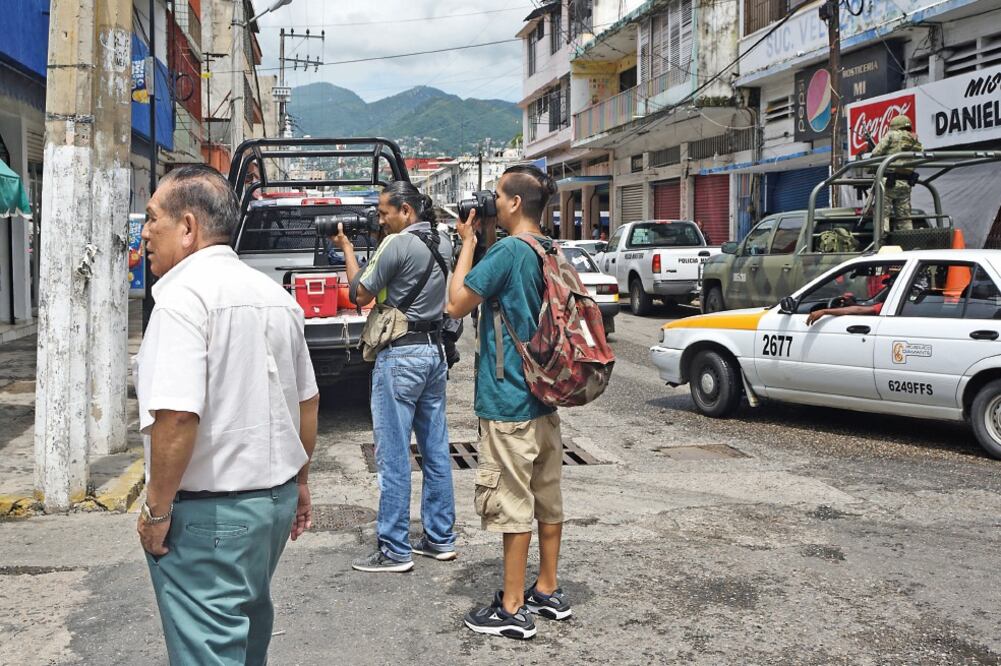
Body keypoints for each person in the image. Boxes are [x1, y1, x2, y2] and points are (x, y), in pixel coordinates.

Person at [134, 165, 319, 665]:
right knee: (244, 636)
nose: (145, 232)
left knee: (209, 651)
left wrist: (156, 511)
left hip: (210, 516)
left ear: (188, 227)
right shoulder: (273, 298)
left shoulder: (181, 300)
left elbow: (175, 417)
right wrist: (299, 483)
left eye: (154, 219)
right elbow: (306, 401)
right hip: (271, 505)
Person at [447, 165, 570, 640]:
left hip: (509, 402)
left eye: (498, 194)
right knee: (547, 498)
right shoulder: (550, 248)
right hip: (545, 398)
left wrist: (467, 244)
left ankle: (513, 608)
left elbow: (456, 302)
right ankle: (548, 589)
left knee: (513, 504)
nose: (492, 200)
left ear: (516, 203)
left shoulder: (505, 253)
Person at [333, 181, 457, 572]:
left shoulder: (396, 244)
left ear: (406, 210)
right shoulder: (444, 242)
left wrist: (349, 252)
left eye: (385, 211)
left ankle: (394, 549)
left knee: (393, 456)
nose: (380, 218)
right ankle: (439, 539)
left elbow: (360, 294)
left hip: (400, 357)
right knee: (436, 451)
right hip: (434, 353)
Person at [871, 114, 923, 233]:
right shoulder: (914, 138)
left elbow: (875, 153)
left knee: (882, 216)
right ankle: (908, 243)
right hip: (906, 183)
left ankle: (881, 243)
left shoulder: (892, 135)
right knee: (905, 218)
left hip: (889, 182)